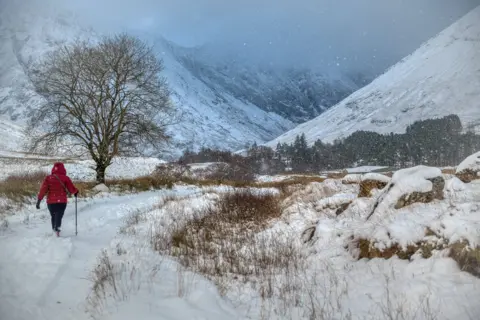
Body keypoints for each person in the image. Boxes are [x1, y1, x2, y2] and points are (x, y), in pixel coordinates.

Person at [36, 162, 78, 235]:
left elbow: (43, 190)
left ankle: (54, 229)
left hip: (51, 202)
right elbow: (71, 189)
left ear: (53, 169)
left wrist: (39, 200)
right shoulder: (65, 178)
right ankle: (57, 228)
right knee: (59, 214)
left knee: (53, 215)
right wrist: (76, 192)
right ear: (63, 169)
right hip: (62, 201)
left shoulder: (48, 178)